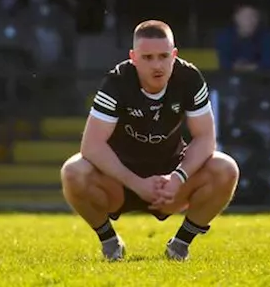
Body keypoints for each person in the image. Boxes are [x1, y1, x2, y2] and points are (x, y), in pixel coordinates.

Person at [60, 20, 239, 262]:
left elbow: (206, 138)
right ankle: (110, 243)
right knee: (73, 172)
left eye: (164, 56)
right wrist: (136, 183)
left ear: (174, 55)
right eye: (147, 57)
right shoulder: (117, 82)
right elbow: (91, 146)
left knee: (226, 168)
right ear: (133, 57)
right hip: (120, 181)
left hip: (171, 185)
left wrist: (178, 178)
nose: (157, 65)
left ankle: (180, 246)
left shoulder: (189, 78)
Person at [213, 2, 270, 72]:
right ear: (236, 18)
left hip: (259, 80)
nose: (250, 21)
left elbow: (268, 64)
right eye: (246, 17)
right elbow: (223, 64)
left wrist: (241, 68)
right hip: (229, 79)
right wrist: (252, 67)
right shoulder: (225, 36)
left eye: (254, 16)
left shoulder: (266, 36)